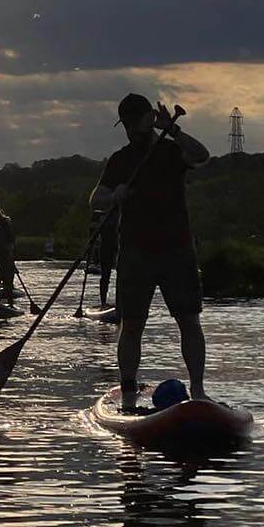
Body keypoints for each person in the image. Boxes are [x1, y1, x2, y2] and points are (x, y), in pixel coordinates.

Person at [90, 94, 211, 410]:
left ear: (149, 118)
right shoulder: (121, 160)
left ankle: (197, 390)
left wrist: (173, 131)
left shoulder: (172, 151)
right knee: (131, 325)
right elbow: (96, 199)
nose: (131, 129)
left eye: (136, 121)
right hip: (135, 251)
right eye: (127, 124)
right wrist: (114, 194)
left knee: (189, 320)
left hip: (177, 250)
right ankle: (128, 391)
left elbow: (202, 156)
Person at [94, 207, 118, 309]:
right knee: (105, 276)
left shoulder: (120, 215)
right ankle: (103, 302)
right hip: (105, 248)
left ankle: (120, 302)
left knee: (121, 275)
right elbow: (93, 231)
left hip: (118, 247)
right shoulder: (103, 216)